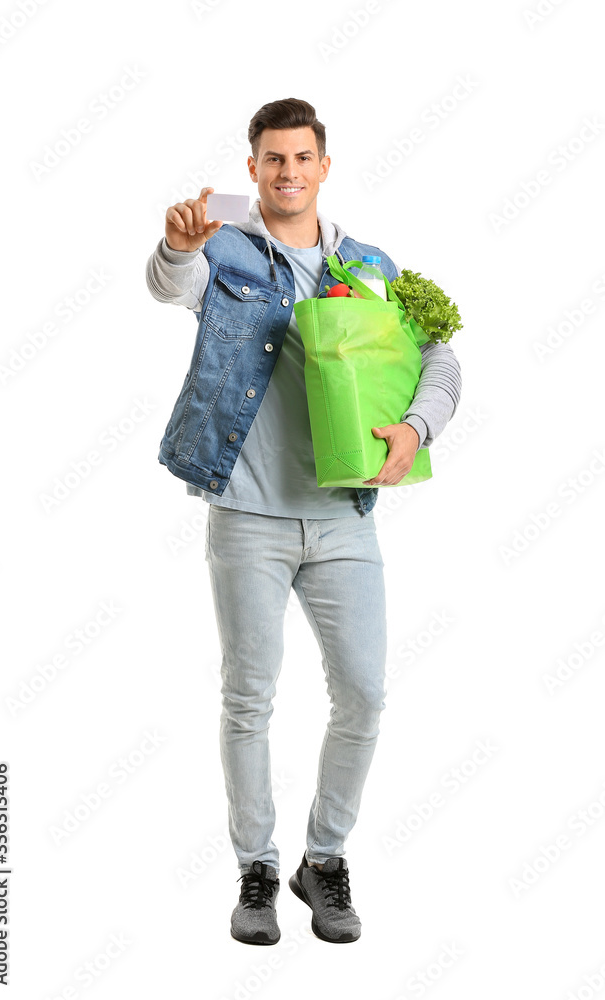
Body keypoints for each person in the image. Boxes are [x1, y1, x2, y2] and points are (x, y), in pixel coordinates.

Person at [146, 97, 462, 946]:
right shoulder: (225, 248)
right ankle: (255, 866)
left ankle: (322, 861)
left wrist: (415, 427)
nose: (287, 173)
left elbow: (438, 354)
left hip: (342, 519)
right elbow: (171, 282)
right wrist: (177, 247)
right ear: (253, 169)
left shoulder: (368, 268)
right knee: (248, 697)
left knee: (361, 693)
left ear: (325, 166)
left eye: (302, 158)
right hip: (246, 513)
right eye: (272, 160)